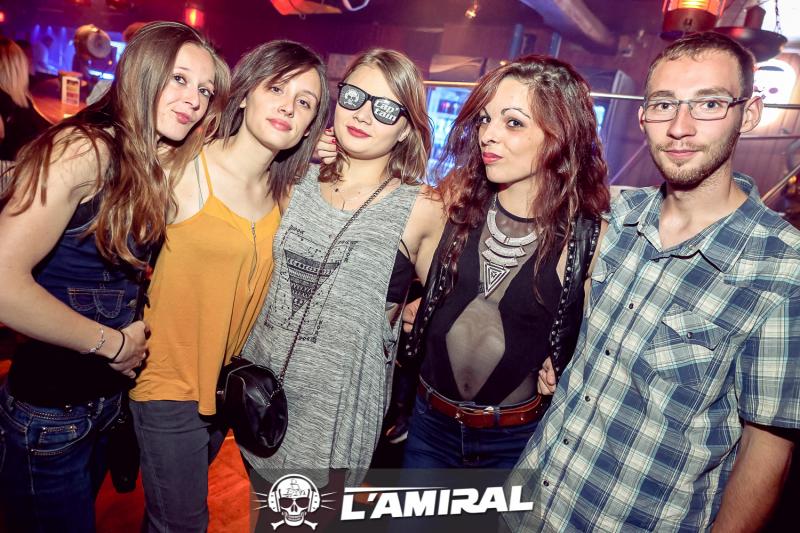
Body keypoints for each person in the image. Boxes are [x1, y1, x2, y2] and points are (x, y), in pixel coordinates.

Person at [505, 31, 799, 532]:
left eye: (709, 103)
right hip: (529, 503)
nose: (680, 128)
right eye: (664, 105)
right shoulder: (619, 218)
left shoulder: (782, 267)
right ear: (642, 117)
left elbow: (765, 455)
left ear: (748, 114)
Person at [0, 21, 228, 533]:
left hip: (100, 406)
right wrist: (113, 344)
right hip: (49, 413)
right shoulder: (83, 149)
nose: (193, 99)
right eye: (179, 79)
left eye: (204, 89)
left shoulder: (147, 157)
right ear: (143, 73)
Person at [128, 40, 329, 533]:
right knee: (184, 524)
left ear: (310, 125)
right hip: (166, 384)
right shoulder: (182, 167)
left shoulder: (287, 195)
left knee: (164, 520)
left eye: (304, 102)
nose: (288, 106)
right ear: (245, 94)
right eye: (276, 88)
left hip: (223, 392)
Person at [240, 47, 443, 498]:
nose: (364, 114)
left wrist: (410, 312)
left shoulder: (422, 209)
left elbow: (448, 303)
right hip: (259, 399)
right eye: (354, 97)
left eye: (386, 108)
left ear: (406, 127)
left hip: (334, 423)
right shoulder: (294, 181)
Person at [399, 54, 609, 471]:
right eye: (485, 119)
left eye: (513, 122)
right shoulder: (453, 201)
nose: (488, 135)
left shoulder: (588, 238)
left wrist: (564, 362)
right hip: (429, 428)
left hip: (512, 443)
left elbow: (595, 348)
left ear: (560, 134)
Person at [0, 38, 49, 160]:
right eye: (28, 58)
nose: (30, 60)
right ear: (20, 66)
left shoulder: (17, 101)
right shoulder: (20, 108)